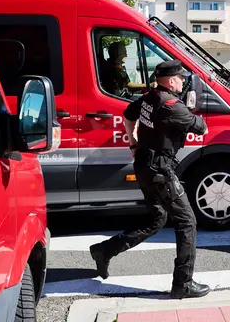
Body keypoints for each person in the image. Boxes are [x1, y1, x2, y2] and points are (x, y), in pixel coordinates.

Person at [89, 60, 210, 299]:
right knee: (187, 222)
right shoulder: (172, 106)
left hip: (144, 166)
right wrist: (190, 109)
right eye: (181, 78)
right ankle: (182, 284)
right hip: (161, 171)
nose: (184, 81)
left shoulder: (149, 98)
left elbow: (128, 116)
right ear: (171, 80)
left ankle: (105, 250)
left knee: (157, 219)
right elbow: (203, 128)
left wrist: (133, 143)